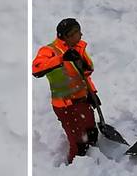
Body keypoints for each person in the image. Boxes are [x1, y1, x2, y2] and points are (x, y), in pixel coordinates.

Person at [32, 18, 100, 164]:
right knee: (79, 144)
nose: (81, 35)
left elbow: (83, 75)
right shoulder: (49, 50)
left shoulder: (77, 48)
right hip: (66, 106)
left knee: (91, 134)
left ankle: (94, 165)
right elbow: (36, 68)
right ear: (69, 35)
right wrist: (61, 59)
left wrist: (92, 93)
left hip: (82, 101)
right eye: (78, 33)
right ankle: (75, 167)